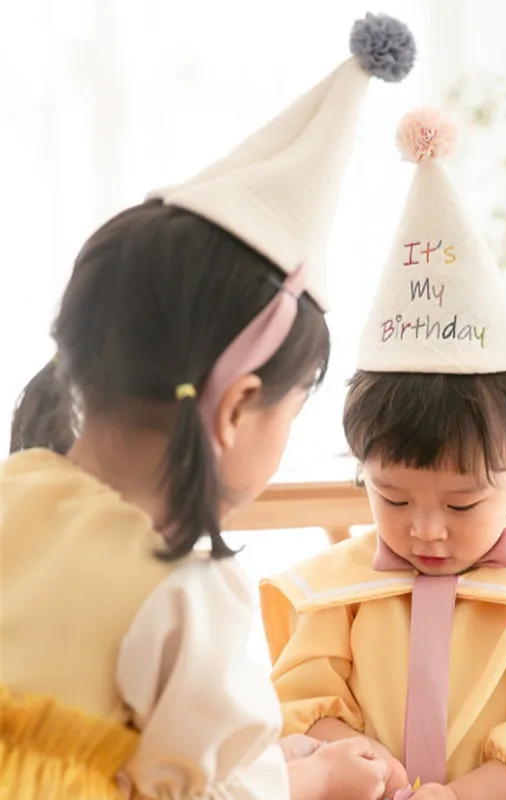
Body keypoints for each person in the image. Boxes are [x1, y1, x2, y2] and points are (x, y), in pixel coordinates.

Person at [0, 14, 415, 800]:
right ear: (237, 410)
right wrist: (316, 780)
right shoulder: (185, 597)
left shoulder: (12, 489)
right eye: (293, 412)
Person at [261, 109, 506, 800]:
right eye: (393, 497)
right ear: (360, 466)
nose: (425, 529)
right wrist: (363, 765)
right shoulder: (330, 595)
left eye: (462, 502)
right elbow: (305, 696)